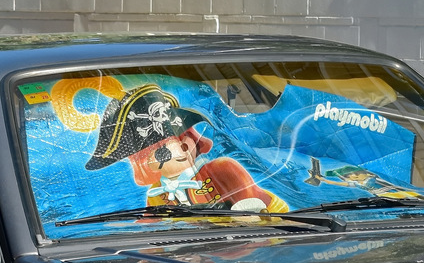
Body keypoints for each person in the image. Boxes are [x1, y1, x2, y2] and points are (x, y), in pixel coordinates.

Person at [84, 84, 287, 212]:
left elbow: (254, 215)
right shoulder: (156, 194)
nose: (181, 151)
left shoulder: (222, 169)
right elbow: (151, 230)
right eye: (163, 151)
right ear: (145, 165)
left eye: (184, 141)